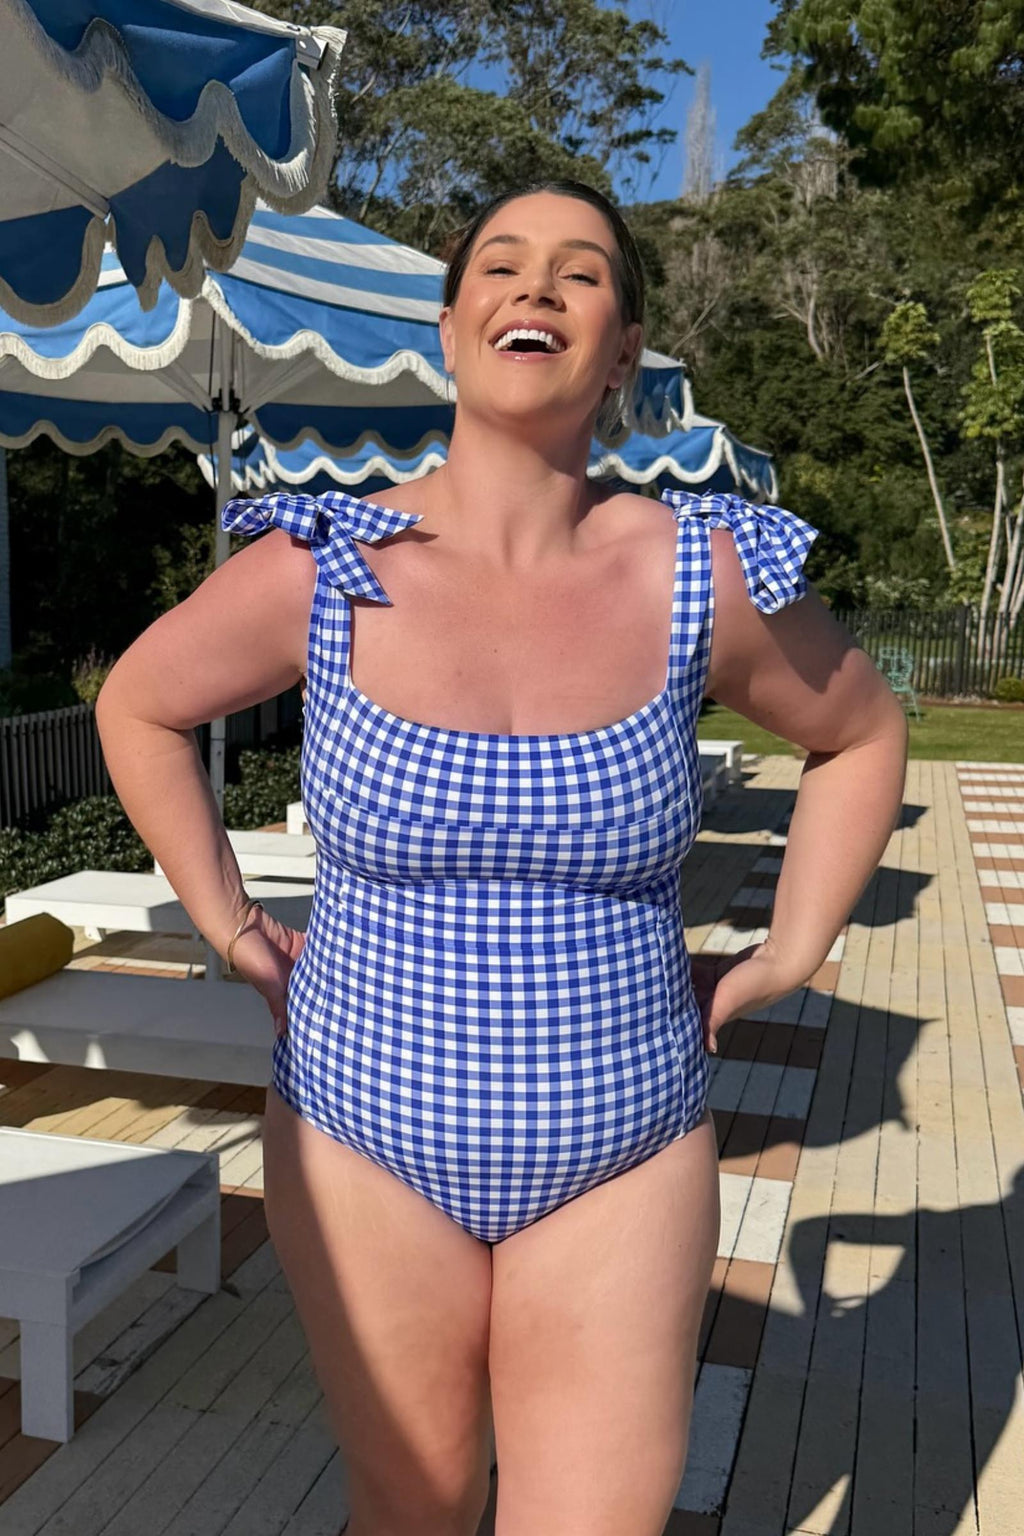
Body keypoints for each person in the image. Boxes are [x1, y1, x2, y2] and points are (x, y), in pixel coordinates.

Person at [96, 180, 908, 1536]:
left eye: (580, 272)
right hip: (360, 1130)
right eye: (502, 265)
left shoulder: (699, 576)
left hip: (624, 1146)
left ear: (624, 345)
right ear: (451, 323)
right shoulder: (330, 565)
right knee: (413, 1504)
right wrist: (231, 926)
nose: (537, 287)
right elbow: (139, 705)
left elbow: (864, 733)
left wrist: (789, 951)